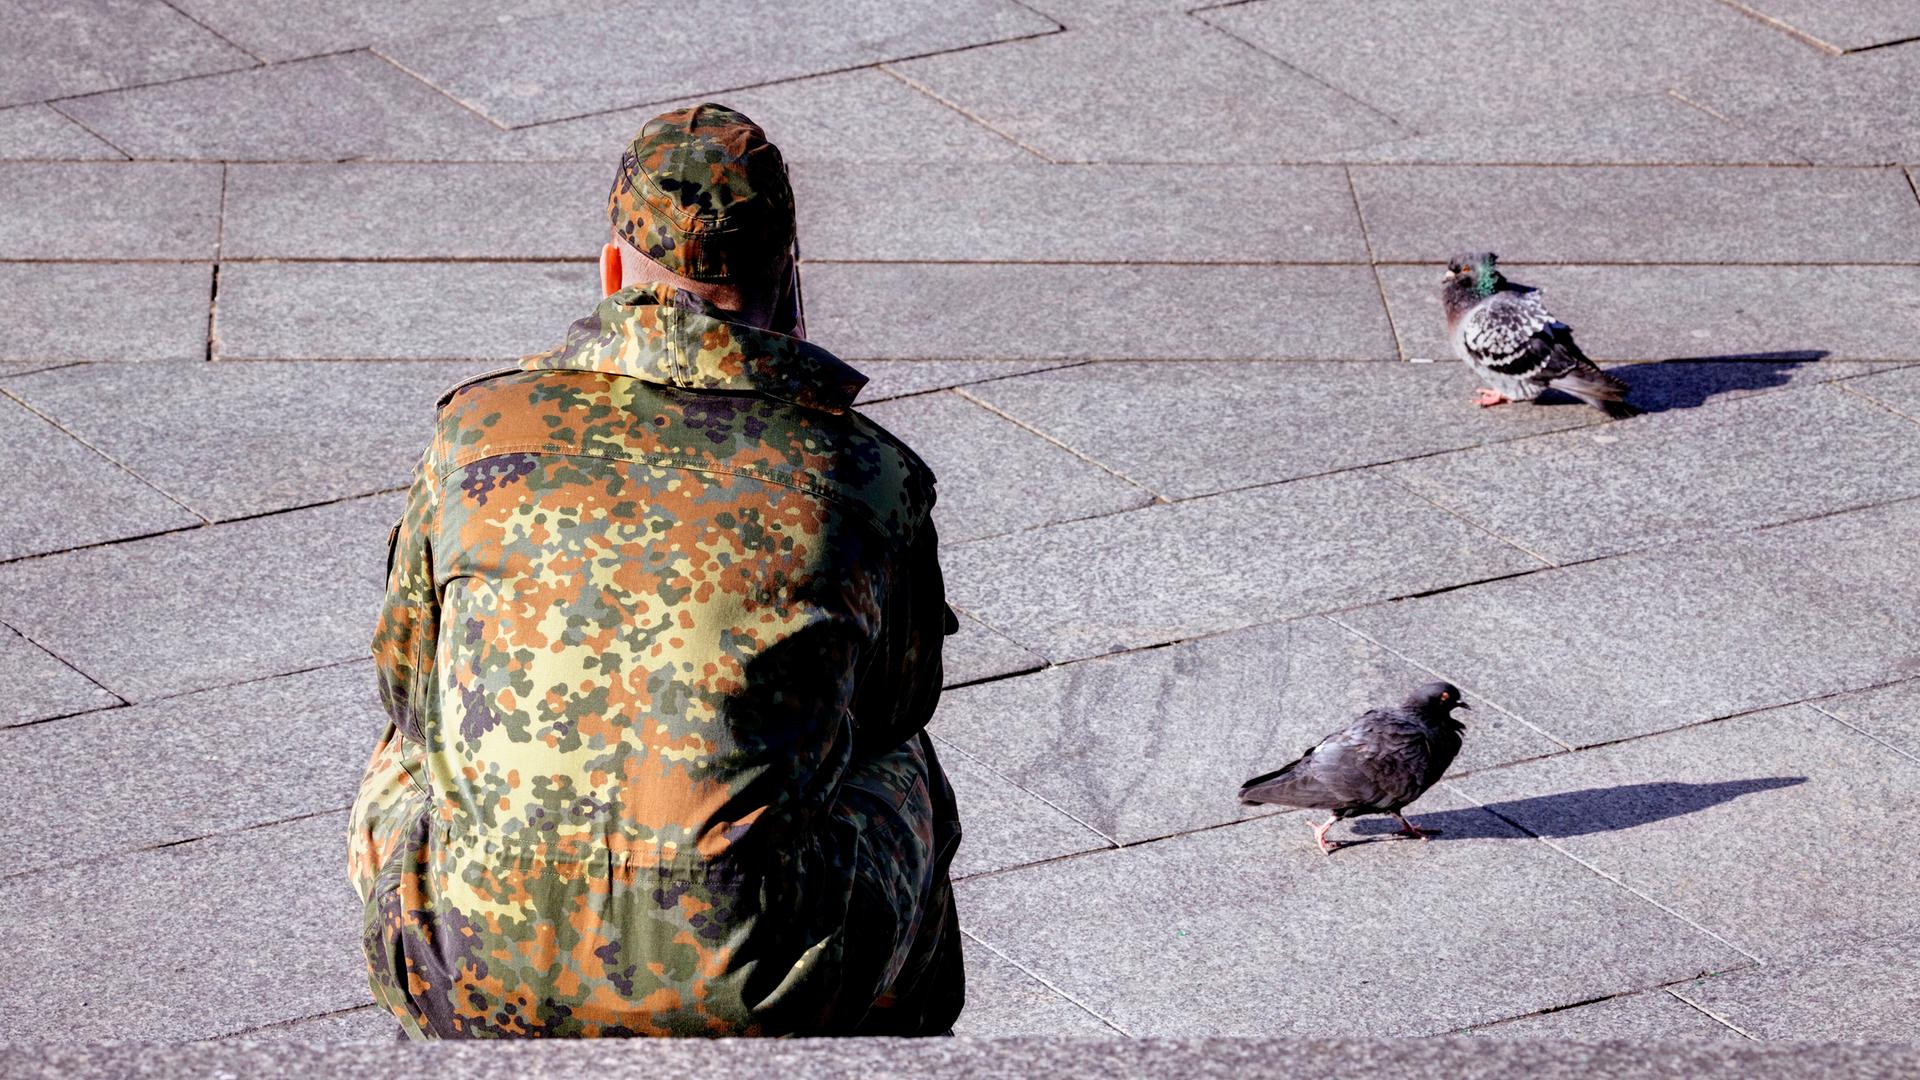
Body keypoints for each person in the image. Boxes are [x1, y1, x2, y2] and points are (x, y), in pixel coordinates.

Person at [347, 104, 964, 1038]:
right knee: (900, 764)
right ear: (789, 280)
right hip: (756, 994)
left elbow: (406, 686)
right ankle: (883, 1054)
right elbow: (893, 707)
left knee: (411, 749)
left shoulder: (474, 432)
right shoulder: (867, 474)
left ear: (612, 273)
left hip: (462, 969)